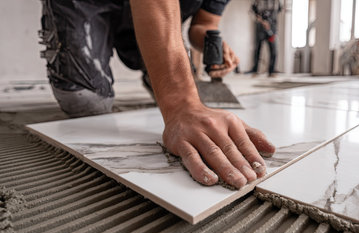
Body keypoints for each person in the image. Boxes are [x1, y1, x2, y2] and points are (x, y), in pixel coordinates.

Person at [39, 0, 276, 188]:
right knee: (87, 100)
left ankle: (150, 65)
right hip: (91, 4)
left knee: (175, 78)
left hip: (153, 18)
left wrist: (210, 42)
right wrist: (183, 104)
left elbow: (203, 24)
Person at [246, 0, 282, 77]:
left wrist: (270, 24)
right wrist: (262, 21)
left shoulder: (277, 2)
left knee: (273, 50)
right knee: (257, 48)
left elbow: (278, 11)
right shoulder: (257, 1)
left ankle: (271, 71)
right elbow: (252, 12)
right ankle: (255, 70)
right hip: (260, 28)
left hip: (272, 29)